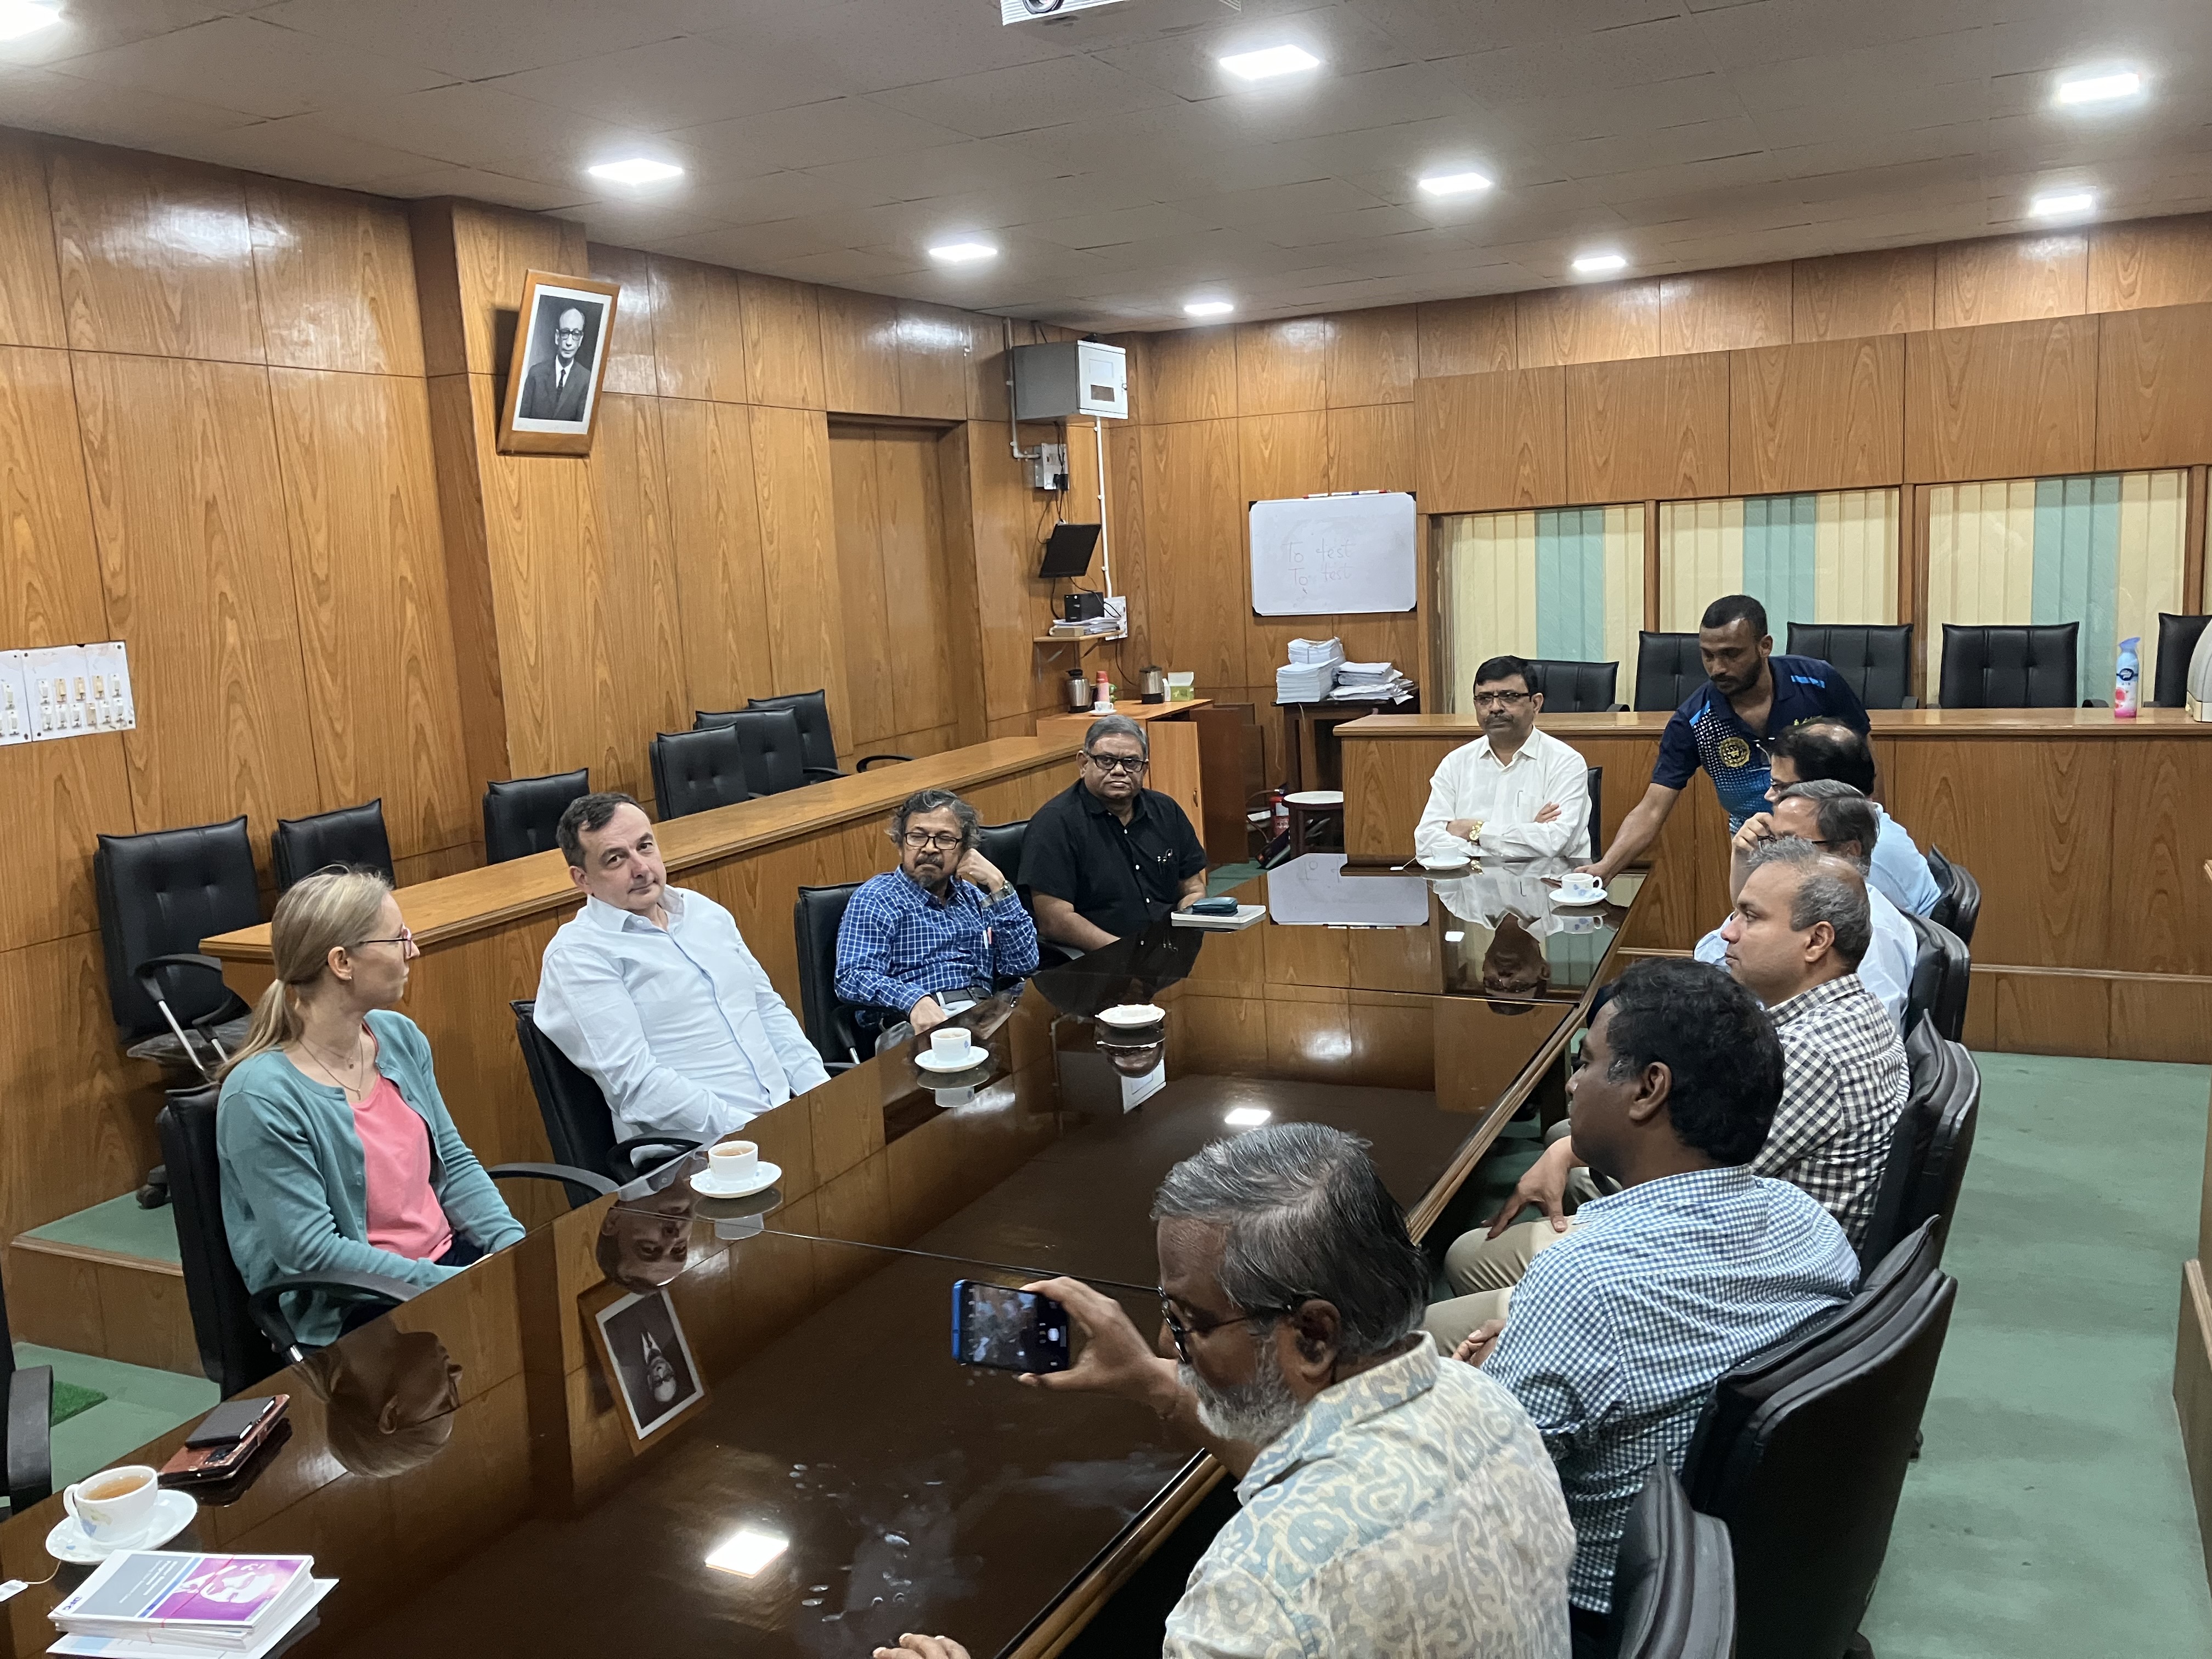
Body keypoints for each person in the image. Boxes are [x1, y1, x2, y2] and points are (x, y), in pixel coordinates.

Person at [878, 1122, 1576, 1659]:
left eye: (1189, 1325)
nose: (1165, 1343)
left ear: (1312, 1335)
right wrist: (1157, 1384)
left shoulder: (1258, 1592)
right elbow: (1307, 1465)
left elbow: (1307, 1531)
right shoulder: (1486, 1399)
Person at [1442, 960, 1858, 1634]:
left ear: (1649, 1089)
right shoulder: (1809, 1223)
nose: (1573, 1083)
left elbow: (1473, 1488)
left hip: (1591, 1610)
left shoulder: (1584, 1286)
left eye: (1589, 1061)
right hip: (1715, 1576)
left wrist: (1468, 1389)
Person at [216, 870, 523, 1350]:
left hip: (443, 1268)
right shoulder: (260, 1096)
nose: (413, 950)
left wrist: (512, 1247)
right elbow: (314, 1255)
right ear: (342, 962)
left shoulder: (398, 1037)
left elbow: (454, 1162)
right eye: (399, 938)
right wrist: (449, 1284)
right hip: (354, 1306)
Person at [534, 792, 828, 1144]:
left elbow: (767, 1010)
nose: (641, 868)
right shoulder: (579, 955)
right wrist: (753, 1130)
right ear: (582, 879)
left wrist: (822, 1096)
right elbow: (637, 1085)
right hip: (696, 1153)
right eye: (616, 859)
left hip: (785, 1119)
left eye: (645, 847)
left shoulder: (703, 912)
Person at [1581, 595, 1869, 882]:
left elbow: (1864, 760)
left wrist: (1870, 829)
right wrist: (1605, 868)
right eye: (1708, 655)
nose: (1718, 667)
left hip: (1831, 841)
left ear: (1765, 646)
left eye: (1731, 654)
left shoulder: (1818, 681)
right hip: (1755, 847)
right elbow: (1653, 808)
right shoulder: (1694, 721)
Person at [1693, 781, 1916, 1034]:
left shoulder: (1873, 931)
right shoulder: (1799, 902)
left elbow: (1870, 1033)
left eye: (1793, 845)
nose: (1775, 856)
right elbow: (1709, 963)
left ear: (1849, 852)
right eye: (1772, 841)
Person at [834, 788, 1039, 1041]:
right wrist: (913, 1000)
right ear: (901, 845)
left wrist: (999, 886)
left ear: (964, 849)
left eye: (944, 839)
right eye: (917, 837)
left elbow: (1023, 964)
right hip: (917, 1023)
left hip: (985, 1016)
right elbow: (852, 978)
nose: (929, 849)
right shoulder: (877, 898)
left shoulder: (973, 897)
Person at [1022, 713, 1208, 951]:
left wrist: (1188, 920)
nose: (1119, 771)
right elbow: (1055, 921)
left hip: (1166, 953)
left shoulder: (1166, 811)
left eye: (1131, 762)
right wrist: (1123, 954)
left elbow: (1193, 887)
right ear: (1083, 763)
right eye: (1107, 760)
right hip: (1098, 966)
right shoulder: (1054, 824)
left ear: (1145, 768)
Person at [1413, 654, 1592, 864]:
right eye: (1485, 699)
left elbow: (1552, 843)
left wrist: (1472, 830)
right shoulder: (1456, 763)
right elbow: (1426, 843)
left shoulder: (1565, 763)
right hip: (1472, 890)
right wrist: (1526, 835)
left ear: (1536, 704)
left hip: (1546, 888)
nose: (1495, 707)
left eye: (1509, 696)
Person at [1763, 719, 1939, 916]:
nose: (1769, 795)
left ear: (1827, 789)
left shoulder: (1864, 857)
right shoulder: (1860, 826)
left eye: (1782, 787)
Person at [517, 304, 592, 421]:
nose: (569, 342)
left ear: (581, 340)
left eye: (576, 334)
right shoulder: (536, 373)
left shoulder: (586, 379)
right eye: (565, 333)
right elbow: (521, 420)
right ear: (557, 337)